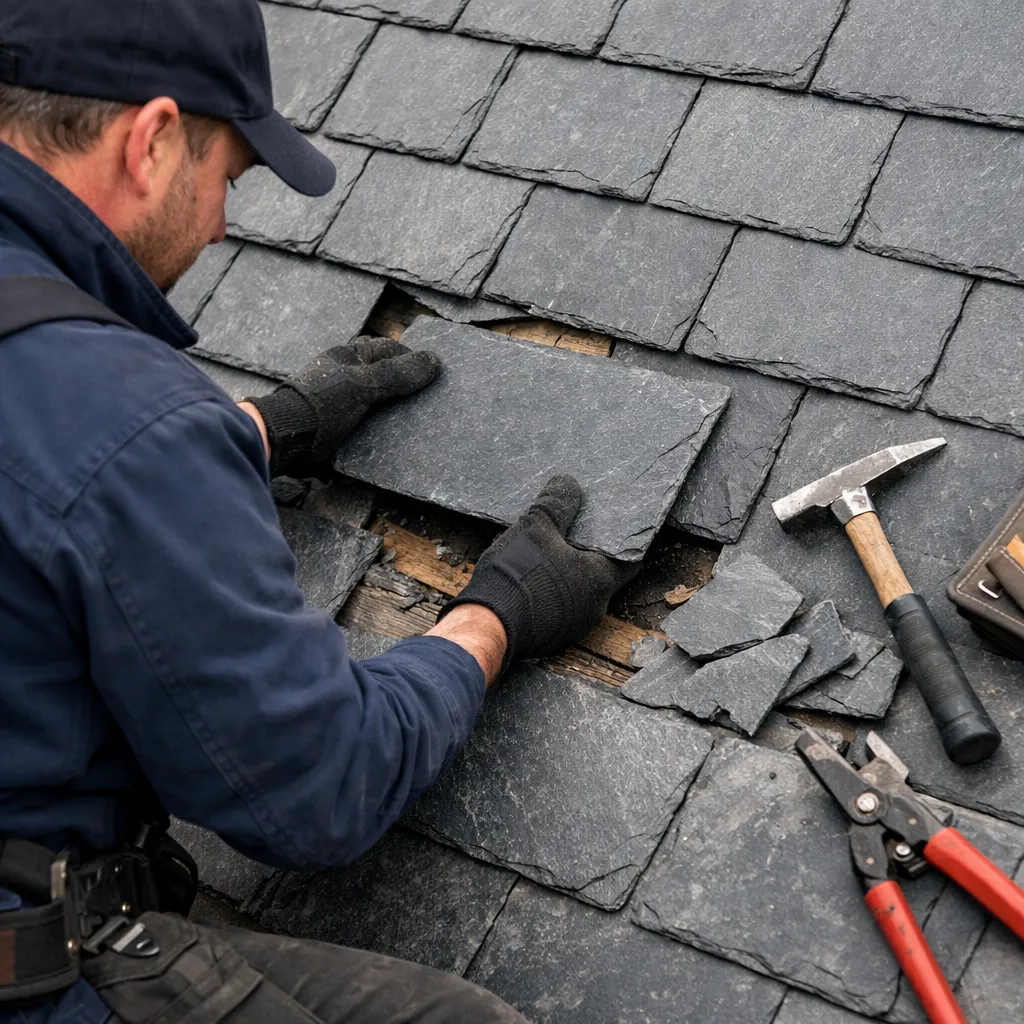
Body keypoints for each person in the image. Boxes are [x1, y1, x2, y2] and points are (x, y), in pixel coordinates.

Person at [0, 1, 637, 1022]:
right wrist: (496, 615)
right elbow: (317, 789)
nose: (219, 224)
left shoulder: (99, 415)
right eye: (227, 180)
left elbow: (37, 466)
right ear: (152, 138)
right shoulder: (125, 420)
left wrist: (258, 432)